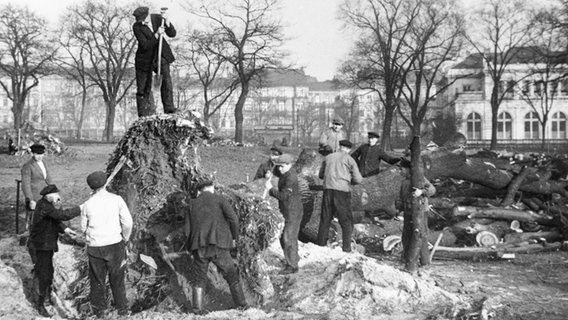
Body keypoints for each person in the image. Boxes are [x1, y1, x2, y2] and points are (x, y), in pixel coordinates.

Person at [184, 180, 247, 313]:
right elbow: (234, 219)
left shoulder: (192, 204)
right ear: (212, 188)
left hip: (199, 246)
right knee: (231, 274)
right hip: (219, 244)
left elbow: (187, 231)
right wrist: (235, 238)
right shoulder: (220, 200)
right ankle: (242, 304)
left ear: (198, 191)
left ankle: (197, 309)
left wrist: (190, 248)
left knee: (199, 278)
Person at [81, 171, 133, 317]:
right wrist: (125, 238)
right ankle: (123, 311)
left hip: (95, 246)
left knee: (97, 281)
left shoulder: (87, 204)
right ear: (105, 183)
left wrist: (90, 237)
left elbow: (83, 228)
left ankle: (100, 313)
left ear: (91, 187)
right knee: (117, 279)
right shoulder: (116, 200)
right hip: (115, 244)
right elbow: (128, 222)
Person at [28, 184, 80, 317]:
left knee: (47, 271)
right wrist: (80, 208)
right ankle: (40, 303)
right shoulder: (45, 206)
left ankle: (44, 297)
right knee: (43, 273)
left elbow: (54, 220)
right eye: (56, 195)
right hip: (40, 246)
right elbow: (62, 215)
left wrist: (66, 230)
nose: (58, 198)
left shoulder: (45, 204)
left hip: (44, 245)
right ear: (48, 195)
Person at [317, 139, 363, 252]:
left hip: (328, 190)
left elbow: (321, 175)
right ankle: (346, 248)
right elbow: (358, 179)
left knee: (325, 218)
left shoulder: (328, 157)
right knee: (346, 220)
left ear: (339, 146)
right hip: (342, 192)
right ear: (348, 149)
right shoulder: (349, 159)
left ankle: (321, 245)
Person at [132, 6, 177, 117]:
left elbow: (172, 34)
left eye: (143, 19)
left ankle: (169, 108)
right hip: (145, 59)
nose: (142, 22)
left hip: (160, 55)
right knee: (143, 87)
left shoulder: (158, 18)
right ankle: (143, 113)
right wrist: (157, 34)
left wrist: (166, 21)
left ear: (147, 15)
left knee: (166, 81)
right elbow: (145, 45)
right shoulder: (136, 27)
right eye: (140, 20)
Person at [264, 153, 303, 274]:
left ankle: (292, 266)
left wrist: (270, 189)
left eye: (282, 166)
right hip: (286, 210)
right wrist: (269, 171)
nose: (279, 169)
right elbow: (277, 171)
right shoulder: (286, 172)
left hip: (293, 211)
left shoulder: (291, 178)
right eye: (278, 166)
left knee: (288, 237)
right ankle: (292, 257)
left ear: (289, 165)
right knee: (284, 237)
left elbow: (283, 196)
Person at [21, 144, 53, 229]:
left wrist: (53, 191)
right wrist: (30, 200)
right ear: (32, 154)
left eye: (41, 154)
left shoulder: (43, 163)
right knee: (34, 221)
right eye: (37, 154)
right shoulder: (27, 166)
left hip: (46, 195)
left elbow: (47, 177)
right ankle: (29, 240)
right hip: (35, 197)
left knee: (47, 218)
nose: (40, 156)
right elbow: (25, 185)